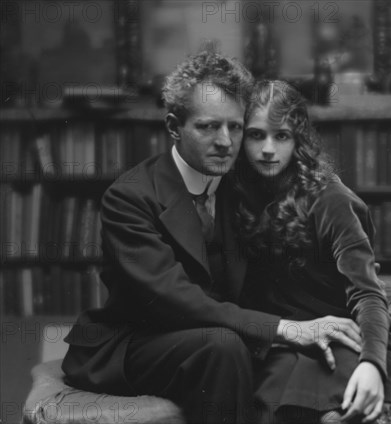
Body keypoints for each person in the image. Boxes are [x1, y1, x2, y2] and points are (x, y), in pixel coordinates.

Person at [61, 52, 363, 424]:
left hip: (226, 331)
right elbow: (173, 299)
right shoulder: (131, 197)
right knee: (225, 346)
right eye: (208, 127)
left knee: (303, 345)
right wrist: (284, 329)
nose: (225, 142)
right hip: (142, 339)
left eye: (235, 128)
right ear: (174, 127)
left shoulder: (241, 182)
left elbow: (309, 188)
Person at [234, 80, 391, 424]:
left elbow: (368, 294)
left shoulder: (330, 199)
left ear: (299, 140)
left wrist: (372, 364)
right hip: (285, 341)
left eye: (281, 136)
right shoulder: (235, 195)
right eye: (255, 135)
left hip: (346, 332)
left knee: (354, 406)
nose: (267, 149)